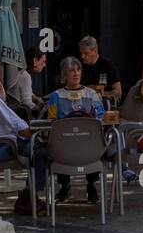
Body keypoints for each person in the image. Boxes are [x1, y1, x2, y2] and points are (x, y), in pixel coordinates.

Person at [0, 55, 46, 216]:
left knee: (38, 147)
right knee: (42, 150)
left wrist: (2, 98)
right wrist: (31, 132)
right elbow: (10, 119)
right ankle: (30, 198)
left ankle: (29, 196)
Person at [43, 55, 106, 203]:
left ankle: (92, 186)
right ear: (64, 75)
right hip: (65, 144)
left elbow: (101, 117)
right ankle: (64, 185)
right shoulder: (56, 96)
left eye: (78, 70)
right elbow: (51, 119)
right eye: (71, 70)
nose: (76, 73)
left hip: (88, 142)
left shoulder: (92, 95)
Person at [78, 35, 122, 104]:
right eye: (81, 53)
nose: (82, 56)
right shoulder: (79, 66)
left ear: (95, 51)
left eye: (86, 53)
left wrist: (99, 94)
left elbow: (118, 92)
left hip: (104, 105)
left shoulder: (107, 65)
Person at [7, 46, 46, 114]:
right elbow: (27, 104)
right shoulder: (25, 76)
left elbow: (26, 92)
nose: (44, 65)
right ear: (35, 61)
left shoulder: (22, 73)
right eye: (43, 61)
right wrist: (42, 107)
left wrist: (35, 98)